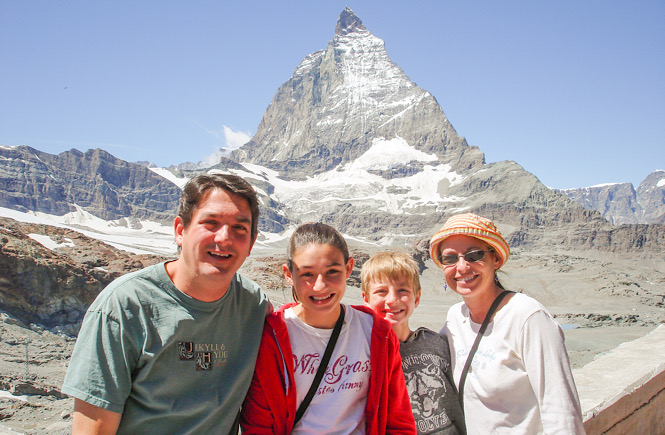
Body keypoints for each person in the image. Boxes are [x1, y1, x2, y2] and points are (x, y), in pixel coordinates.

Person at [62, 173, 271, 434]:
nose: (224, 239)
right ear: (180, 231)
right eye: (211, 223)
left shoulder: (254, 305)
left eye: (240, 228)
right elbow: (92, 429)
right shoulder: (125, 306)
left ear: (252, 242)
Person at [240, 222, 416, 434]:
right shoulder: (273, 337)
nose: (320, 286)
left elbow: (398, 420)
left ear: (349, 268)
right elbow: (259, 425)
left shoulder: (376, 332)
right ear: (288, 274)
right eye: (307, 274)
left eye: (332, 272)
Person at [429, 213, 585, 434]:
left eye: (474, 255)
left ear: (496, 259)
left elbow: (560, 411)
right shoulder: (455, 318)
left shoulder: (528, 317)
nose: (462, 267)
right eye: (450, 258)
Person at [362, 251, 466, 435]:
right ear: (366, 299)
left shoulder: (437, 344)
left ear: (416, 298)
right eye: (381, 291)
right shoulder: (362, 354)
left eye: (403, 290)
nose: (392, 300)